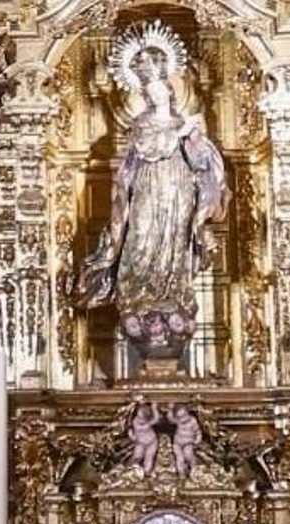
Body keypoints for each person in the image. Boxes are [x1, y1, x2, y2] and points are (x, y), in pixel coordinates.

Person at [76, 22, 227, 366]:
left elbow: (204, 163)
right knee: (141, 238)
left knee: (173, 242)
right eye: (152, 91)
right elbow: (147, 149)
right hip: (147, 189)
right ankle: (141, 296)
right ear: (145, 94)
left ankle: (171, 295)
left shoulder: (188, 122)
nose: (158, 95)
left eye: (162, 89)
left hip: (176, 193)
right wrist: (180, 133)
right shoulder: (141, 124)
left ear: (170, 91)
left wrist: (195, 139)